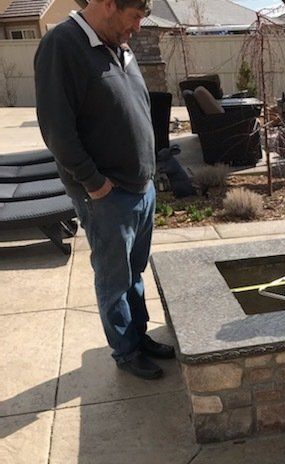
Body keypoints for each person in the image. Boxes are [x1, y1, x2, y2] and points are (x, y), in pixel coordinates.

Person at [34, 0, 174, 379]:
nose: (138, 29)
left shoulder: (117, 45)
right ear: (109, 4)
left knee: (134, 272)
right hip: (107, 195)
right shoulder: (62, 46)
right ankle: (126, 351)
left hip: (140, 188)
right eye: (134, 18)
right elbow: (57, 131)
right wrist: (94, 184)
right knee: (114, 278)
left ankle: (138, 336)